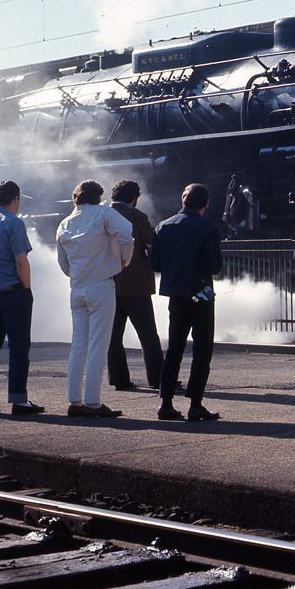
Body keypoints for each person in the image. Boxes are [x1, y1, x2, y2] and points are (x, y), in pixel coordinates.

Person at [56, 180, 133, 418]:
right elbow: (127, 234)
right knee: (98, 346)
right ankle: (93, 402)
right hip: (101, 285)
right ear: (99, 197)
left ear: (76, 198)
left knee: (78, 346)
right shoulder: (104, 214)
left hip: (77, 287)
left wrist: (77, 273)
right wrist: (123, 261)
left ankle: (74, 401)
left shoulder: (65, 222)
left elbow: (63, 263)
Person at [152, 182, 224, 422]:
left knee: (174, 348)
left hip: (176, 294)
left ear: (183, 200)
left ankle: (166, 403)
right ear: (206, 203)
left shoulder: (163, 226)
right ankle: (195, 404)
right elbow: (214, 266)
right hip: (201, 294)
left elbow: (155, 264)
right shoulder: (208, 228)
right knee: (202, 349)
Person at [0, 181, 44, 416]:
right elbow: (21, 260)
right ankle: (18, 400)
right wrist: (26, 286)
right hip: (13, 291)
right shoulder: (14, 223)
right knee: (18, 346)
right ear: (16, 199)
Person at [107, 179, 165, 392]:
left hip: (109, 284)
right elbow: (152, 240)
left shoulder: (102, 215)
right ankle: (158, 378)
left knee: (113, 336)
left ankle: (119, 378)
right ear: (134, 197)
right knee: (148, 335)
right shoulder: (136, 216)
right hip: (136, 284)